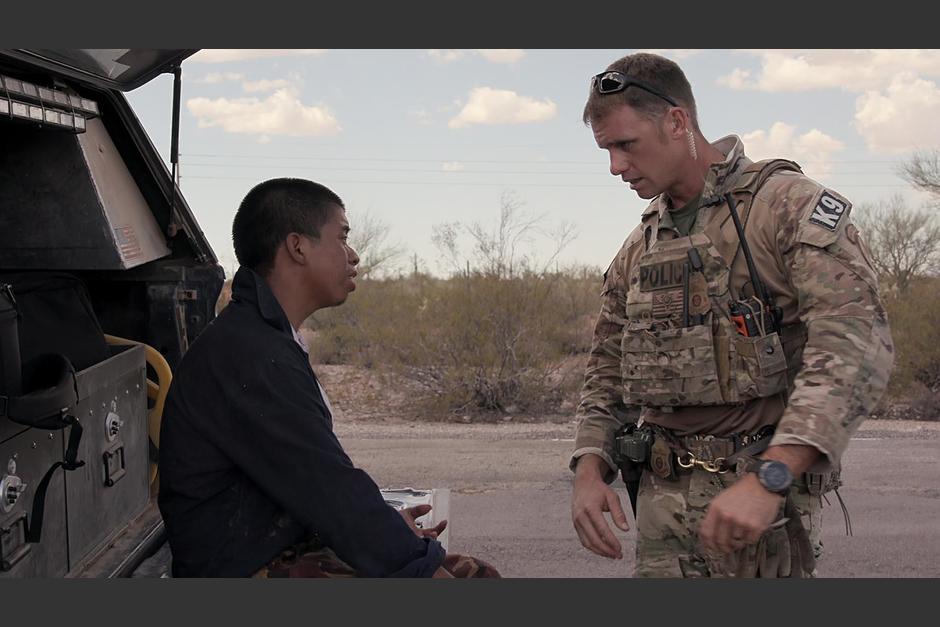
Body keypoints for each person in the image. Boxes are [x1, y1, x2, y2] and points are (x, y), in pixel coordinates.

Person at [569, 53, 894, 578]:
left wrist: (773, 477)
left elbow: (854, 347)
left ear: (677, 122)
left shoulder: (784, 208)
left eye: (626, 145)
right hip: (662, 509)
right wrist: (589, 469)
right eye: (606, 149)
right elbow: (606, 372)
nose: (615, 166)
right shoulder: (640, 246)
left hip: (759, 514)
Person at [158, 178, 498, 578]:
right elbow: (328, 487)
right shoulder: (253, 354)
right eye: (342, 238)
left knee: (464, 571)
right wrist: (417, 564)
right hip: (239, 568)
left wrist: (392, 535)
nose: (353, 256)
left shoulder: (264, 337)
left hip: (265, 545)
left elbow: (318, 486)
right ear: (297, 246)